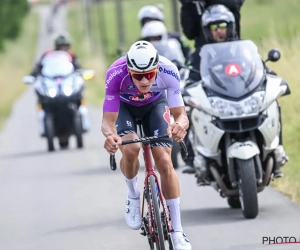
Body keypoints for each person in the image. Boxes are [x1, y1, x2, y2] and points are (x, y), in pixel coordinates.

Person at [101, 40, 192, 250]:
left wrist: (179, 125)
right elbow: (107, 122)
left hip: (155, 106)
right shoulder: (116, 73)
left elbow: (181, 115)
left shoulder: (168, 70)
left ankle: (177, 231)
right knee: (131, 149)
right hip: (126, 108)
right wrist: (110, 136)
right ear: (129, 70)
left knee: (164, 161)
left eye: (149, 75)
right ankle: (133, 194)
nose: (144, 80)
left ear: (157, 69)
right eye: (138, 75)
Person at [180, 4, 288, 179]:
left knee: (274, 104)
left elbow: (259, 68)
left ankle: (277, 149)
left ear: (231, 27)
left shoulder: (243, 49)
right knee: (189, 111)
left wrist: (272, 76)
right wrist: (186, 89)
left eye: (222, 26)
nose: (218, 31)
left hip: (242, 98)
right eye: (213, 28)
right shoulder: (199, 54)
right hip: (216, 102)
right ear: (207, 30)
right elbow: (192, 76)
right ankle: (192, 157)